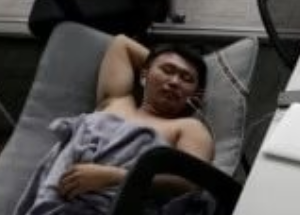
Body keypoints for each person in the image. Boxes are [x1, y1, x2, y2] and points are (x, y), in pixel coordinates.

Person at [56, 35, 214, 199]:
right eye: (167, 70)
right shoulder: (117, 101)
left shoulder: (190, 128)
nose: (174, 82)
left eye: (186, 79)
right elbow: (122, 44)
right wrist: (157, 60)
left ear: (195, 95)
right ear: (143, 76)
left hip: (112, 210)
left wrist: (113, 177)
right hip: (53, 200)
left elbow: (191, 183)